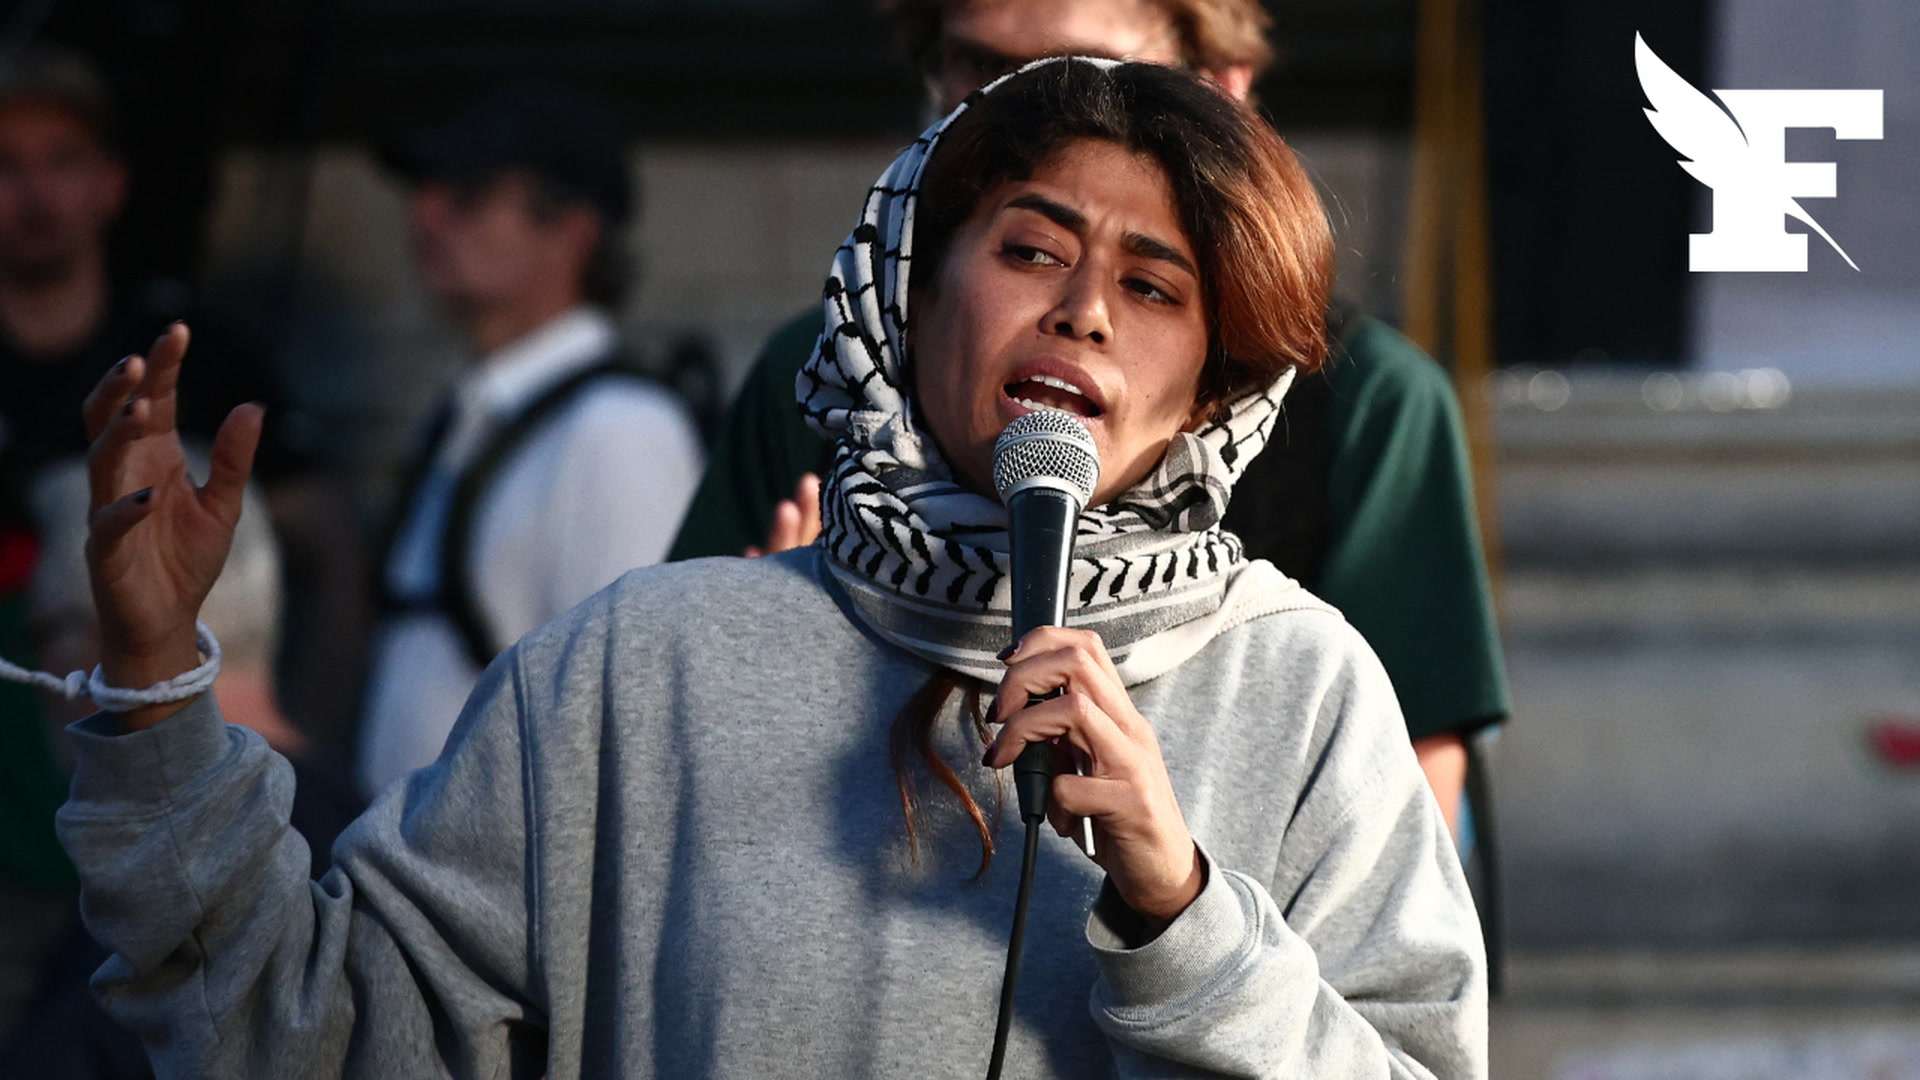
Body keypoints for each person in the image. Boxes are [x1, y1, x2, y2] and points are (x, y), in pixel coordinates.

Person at [55, 61, 1484, 1076]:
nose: (1085, 311)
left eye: (1155, 287)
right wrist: (152, 688)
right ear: (909, 296)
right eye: (1032, 249)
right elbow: (310, 1035)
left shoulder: (1303, 687)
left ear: (1211, 392)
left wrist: (1181, 916)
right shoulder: (640, 665)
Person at [669, 0, 1510, 838]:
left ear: (1221, 91)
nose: (1019, 106)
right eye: (977, 68)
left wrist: (1179, 906)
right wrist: (786, 635)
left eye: (1074, 71)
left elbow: (1395, 864)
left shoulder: (1362, 419)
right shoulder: (814, 371)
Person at [355, 84, 705, 797]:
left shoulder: (620, 431)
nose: (424, 214)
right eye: (423, 189)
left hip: (517, 899)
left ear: (573, 230)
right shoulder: (475, 416)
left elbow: (638, 728)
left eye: (469, 194)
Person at [0, 455, 363, 1078]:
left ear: (110, 639)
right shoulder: (380, 838)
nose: (35, 680)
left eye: (40, 634)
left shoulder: (168, 882)